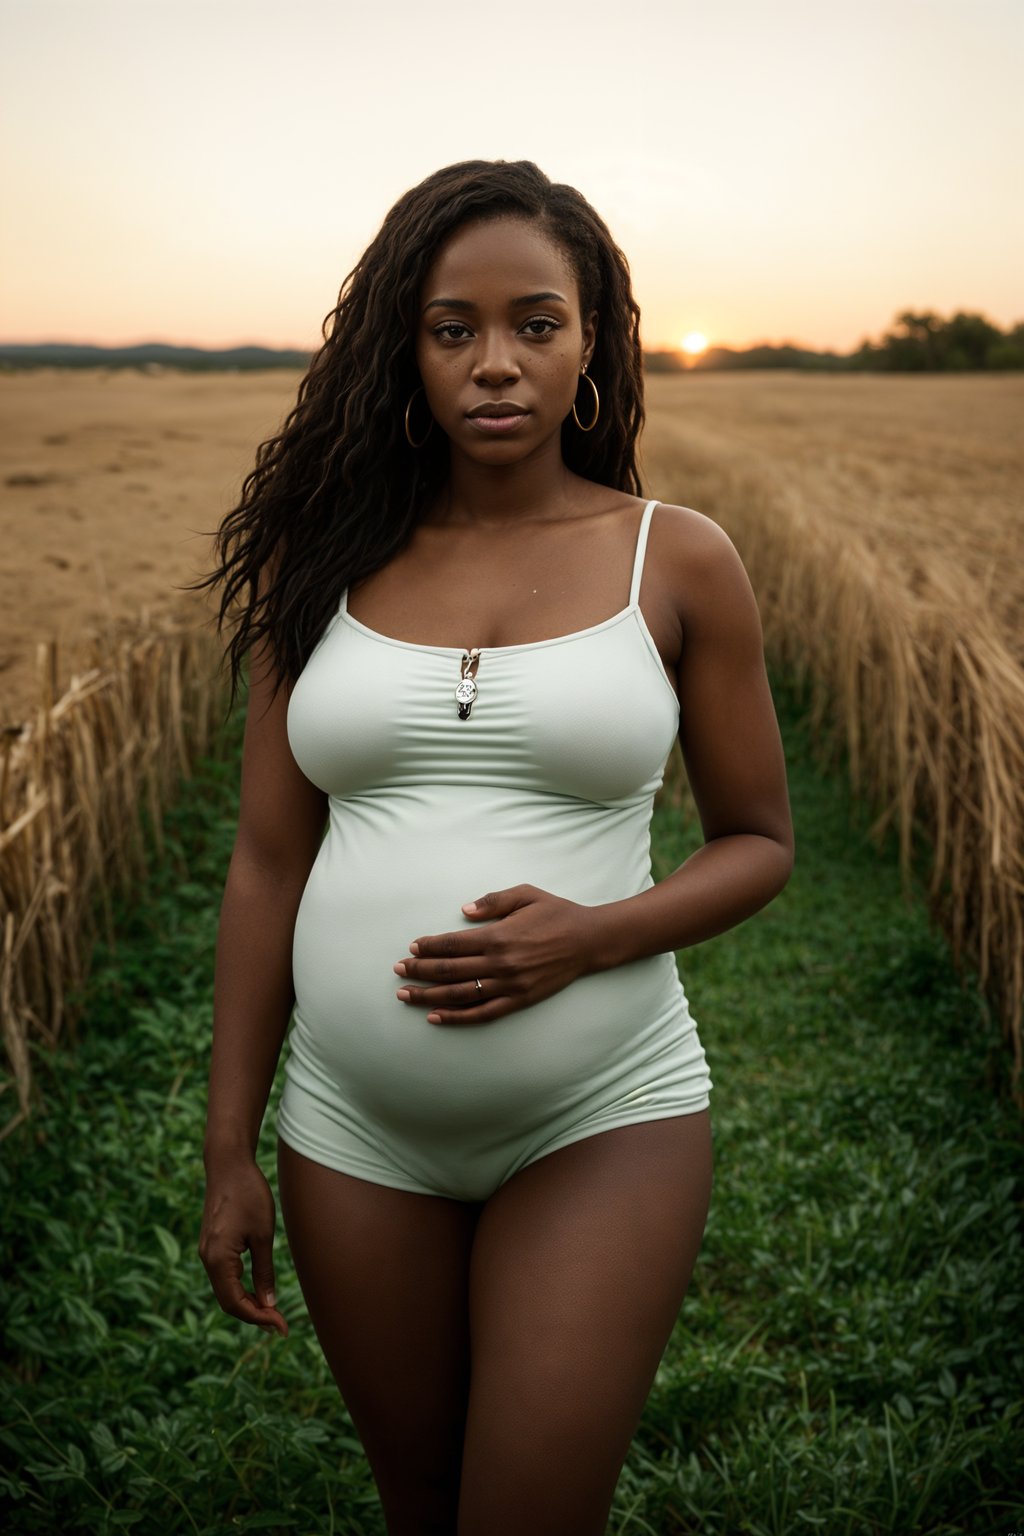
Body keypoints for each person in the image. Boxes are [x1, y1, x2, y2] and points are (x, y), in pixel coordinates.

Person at [197, 158, 793, 1536]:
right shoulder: (325, 562)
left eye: (536, 321)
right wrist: (231, 1144)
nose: (496, 363)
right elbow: (265, 864)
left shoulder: (677, 560)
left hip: (604, 1116)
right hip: (350, 1128)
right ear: (404, 352)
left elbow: (759, 842)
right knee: (421, 1507)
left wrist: (593, 933)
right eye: (452, 328)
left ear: (592, 341)